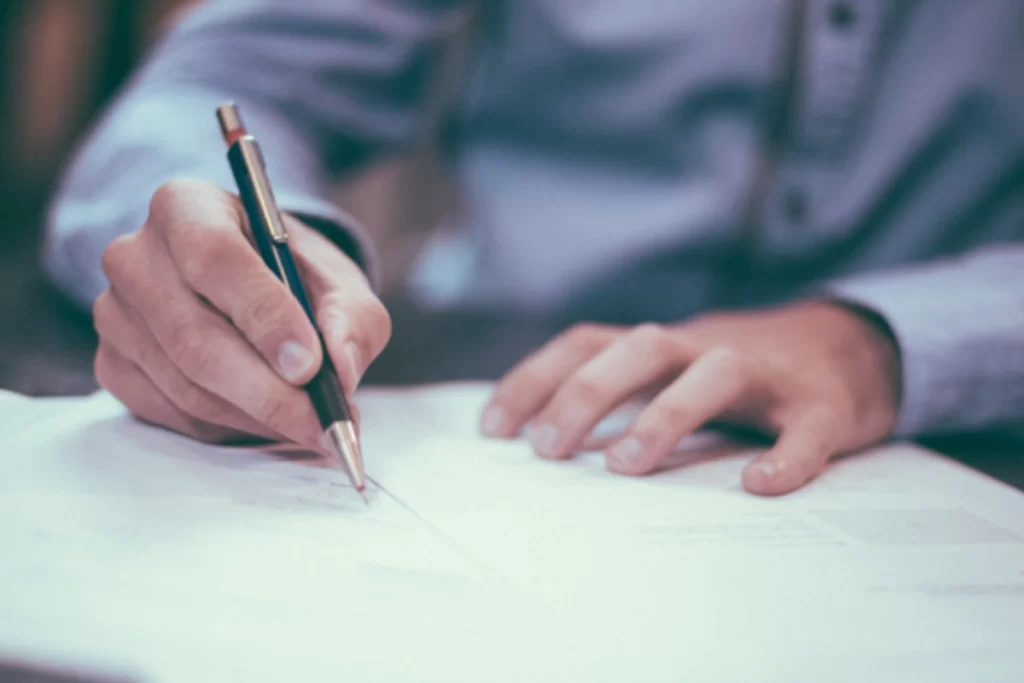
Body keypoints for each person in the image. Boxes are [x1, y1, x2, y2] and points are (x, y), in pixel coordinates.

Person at [45, 0, 1023, 496]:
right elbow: (221, 78)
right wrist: (218, 265)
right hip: (496, 401)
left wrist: (884, 339)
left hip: (959, 427)